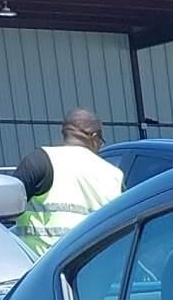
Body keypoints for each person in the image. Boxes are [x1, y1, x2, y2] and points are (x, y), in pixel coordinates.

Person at [12, 107, 123, 255]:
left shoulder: (41, 160)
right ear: (94, 137)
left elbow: (4, 203)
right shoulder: (114, 175)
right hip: (94, 266)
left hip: (39, 267)